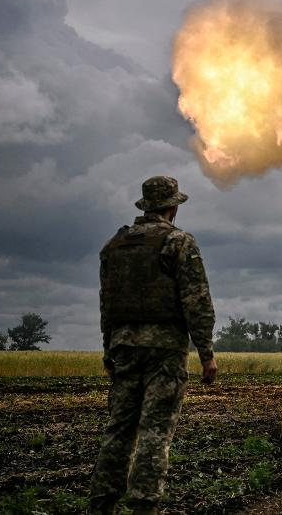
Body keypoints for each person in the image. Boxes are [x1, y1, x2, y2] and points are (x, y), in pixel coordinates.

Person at [89, 176, 218, 515]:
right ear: (173, 206)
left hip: (123, 348)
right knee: (154, 431)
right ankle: (144, 506)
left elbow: (107, 305)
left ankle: (101, 503)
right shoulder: (179, 242)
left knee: (118, 428)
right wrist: (206, 354)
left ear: (146, 206)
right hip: (164, 350)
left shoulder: (113, 247)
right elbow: (197, 302)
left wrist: (108, 349)